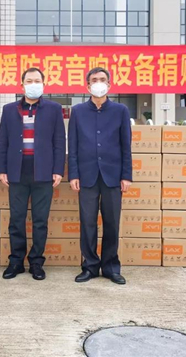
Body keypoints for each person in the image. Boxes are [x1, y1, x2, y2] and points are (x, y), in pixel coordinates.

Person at [0, 68, 66, 281]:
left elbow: (59, 141)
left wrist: (58, 170)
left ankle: (36, 262)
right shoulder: (9, 109)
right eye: (29, 81)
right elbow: (3, 141)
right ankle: (16, 261)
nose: (33, 84)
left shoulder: (54, 109)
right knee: (16, 219)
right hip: (17, 171)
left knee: (40, 220)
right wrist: (1, 169)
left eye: (37, 81)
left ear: (43, 84)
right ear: (22, 85)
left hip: (43, 171)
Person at [68, 67, 132, 284]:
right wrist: (73, 174)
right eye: (94, 80)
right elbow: (73, 145)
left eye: (102, 79)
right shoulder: (78, 111)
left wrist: (126, 175)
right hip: (86, 175)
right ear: (87, 86)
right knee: (87, 223)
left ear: (109, 85)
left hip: (113, 175)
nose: (98, 83)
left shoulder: (120, 110)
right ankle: (90, 266)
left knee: (112, 222)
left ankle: (111, 267)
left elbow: (126, 145)